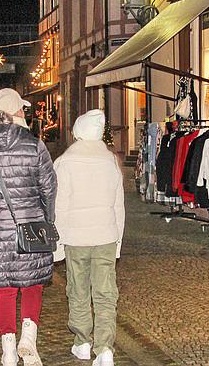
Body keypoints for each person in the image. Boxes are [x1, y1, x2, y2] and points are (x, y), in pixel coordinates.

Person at [0, 88, 57, 366]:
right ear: (18, 112)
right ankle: (28, 339)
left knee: (5, 289)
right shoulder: (33, 145)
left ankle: (7, 348)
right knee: (32, 284)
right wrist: (46, 219)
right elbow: (49, 188)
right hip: (31, 226)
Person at [53, 109, 124, 366]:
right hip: (105, 234)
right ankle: (105, 348)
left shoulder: (64, 162)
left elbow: (58, 206)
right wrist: (118, 241)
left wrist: (57, 242)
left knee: (78, 289)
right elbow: (119, 206)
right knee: (106, 292)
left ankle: (82, 341)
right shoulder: (111, 162)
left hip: (75, 235)